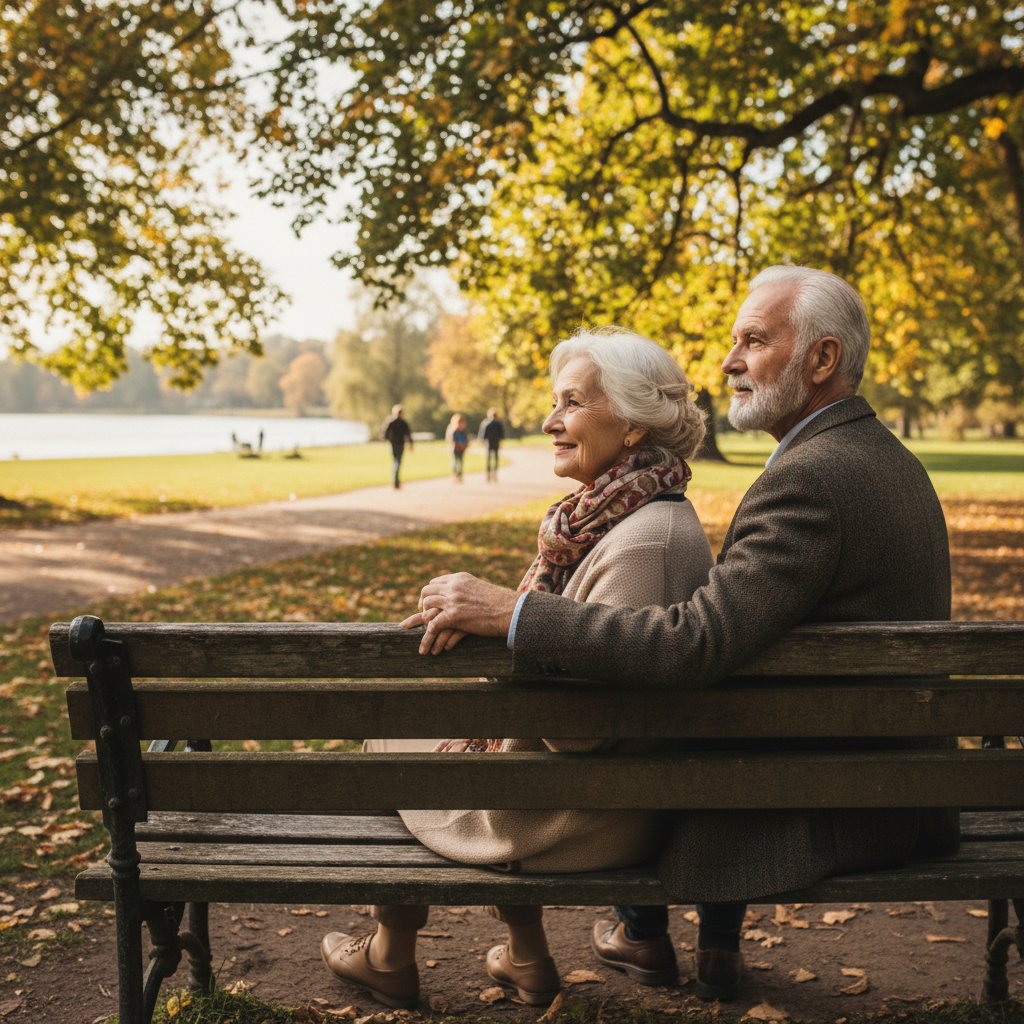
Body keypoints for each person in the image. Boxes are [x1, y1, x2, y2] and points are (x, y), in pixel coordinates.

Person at [407, 266, 958, 1002]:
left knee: (646, 741)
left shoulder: (811, 480)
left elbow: (693, 643)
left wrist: (514, 614)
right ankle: (668, 940)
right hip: (894, 781)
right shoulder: (884, 461)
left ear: (822, 360)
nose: (729, 361)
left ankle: (632, 933)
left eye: (754, 341)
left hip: (833, 805)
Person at [320, 327, 712, 1008]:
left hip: (593, 814)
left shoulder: (648, 542)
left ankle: (389, 954)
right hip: (586, 790)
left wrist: (511, 626)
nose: (549, 420)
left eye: (571, 403)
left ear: (631, 426)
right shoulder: (621, 516)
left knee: (386, 740)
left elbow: (586, 733)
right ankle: (526, 957)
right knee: (436, 735)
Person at [382, 404, 413, 489]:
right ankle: (396, 481)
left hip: (393, 444)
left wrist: (388, 439)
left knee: (395, 462)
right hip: (399, 444)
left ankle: (395, 480)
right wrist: (410, 444)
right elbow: (408, 434)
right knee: (397, 462)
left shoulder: (391, 421)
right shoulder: (403, 422)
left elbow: (385, 433)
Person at [478, 407, 505, 481]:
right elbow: (501, 435)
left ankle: (488, 474)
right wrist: (501, 442)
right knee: (495, 458)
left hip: (488, 443)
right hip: (496, 442)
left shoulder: (485, 423)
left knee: (488, 459)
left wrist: (481, 441)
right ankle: (494, 474)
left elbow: (482, 434)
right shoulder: (499, 423)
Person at [445, 413, 469, 482]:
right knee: (455, 462)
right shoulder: (453, 430)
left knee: (460, 462)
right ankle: (454, 475)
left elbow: (466, 439)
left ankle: (460, 475)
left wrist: (465, 444)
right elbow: (451, 440)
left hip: (462, 448)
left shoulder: (464, 431)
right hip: (455, 448)